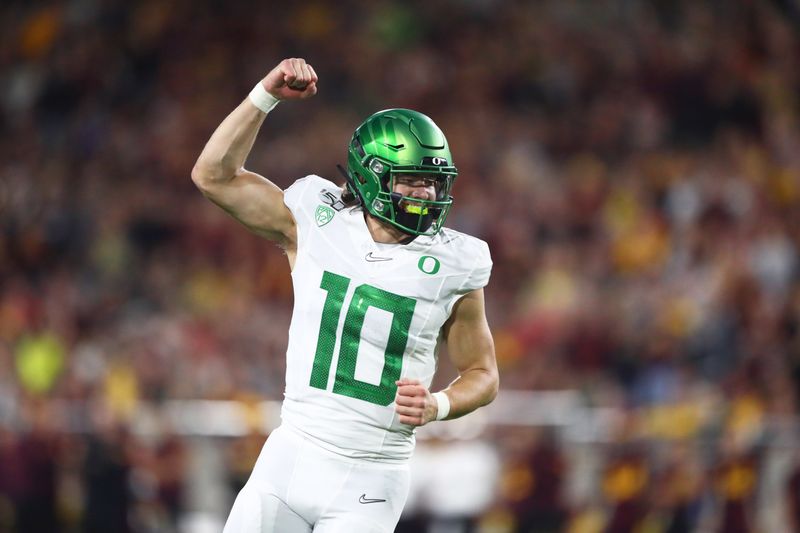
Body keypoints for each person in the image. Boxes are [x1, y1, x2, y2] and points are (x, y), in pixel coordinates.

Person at [192, 57, 499, 532]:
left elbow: (482, 373)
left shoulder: (455, 263)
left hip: (372, 478)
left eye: (434, 181)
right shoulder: (317, 218)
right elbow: (212, 175)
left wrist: (439, 405)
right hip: (291, 455)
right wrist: (265, 95)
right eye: (413, 179)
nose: (428, 193)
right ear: (371, 173)